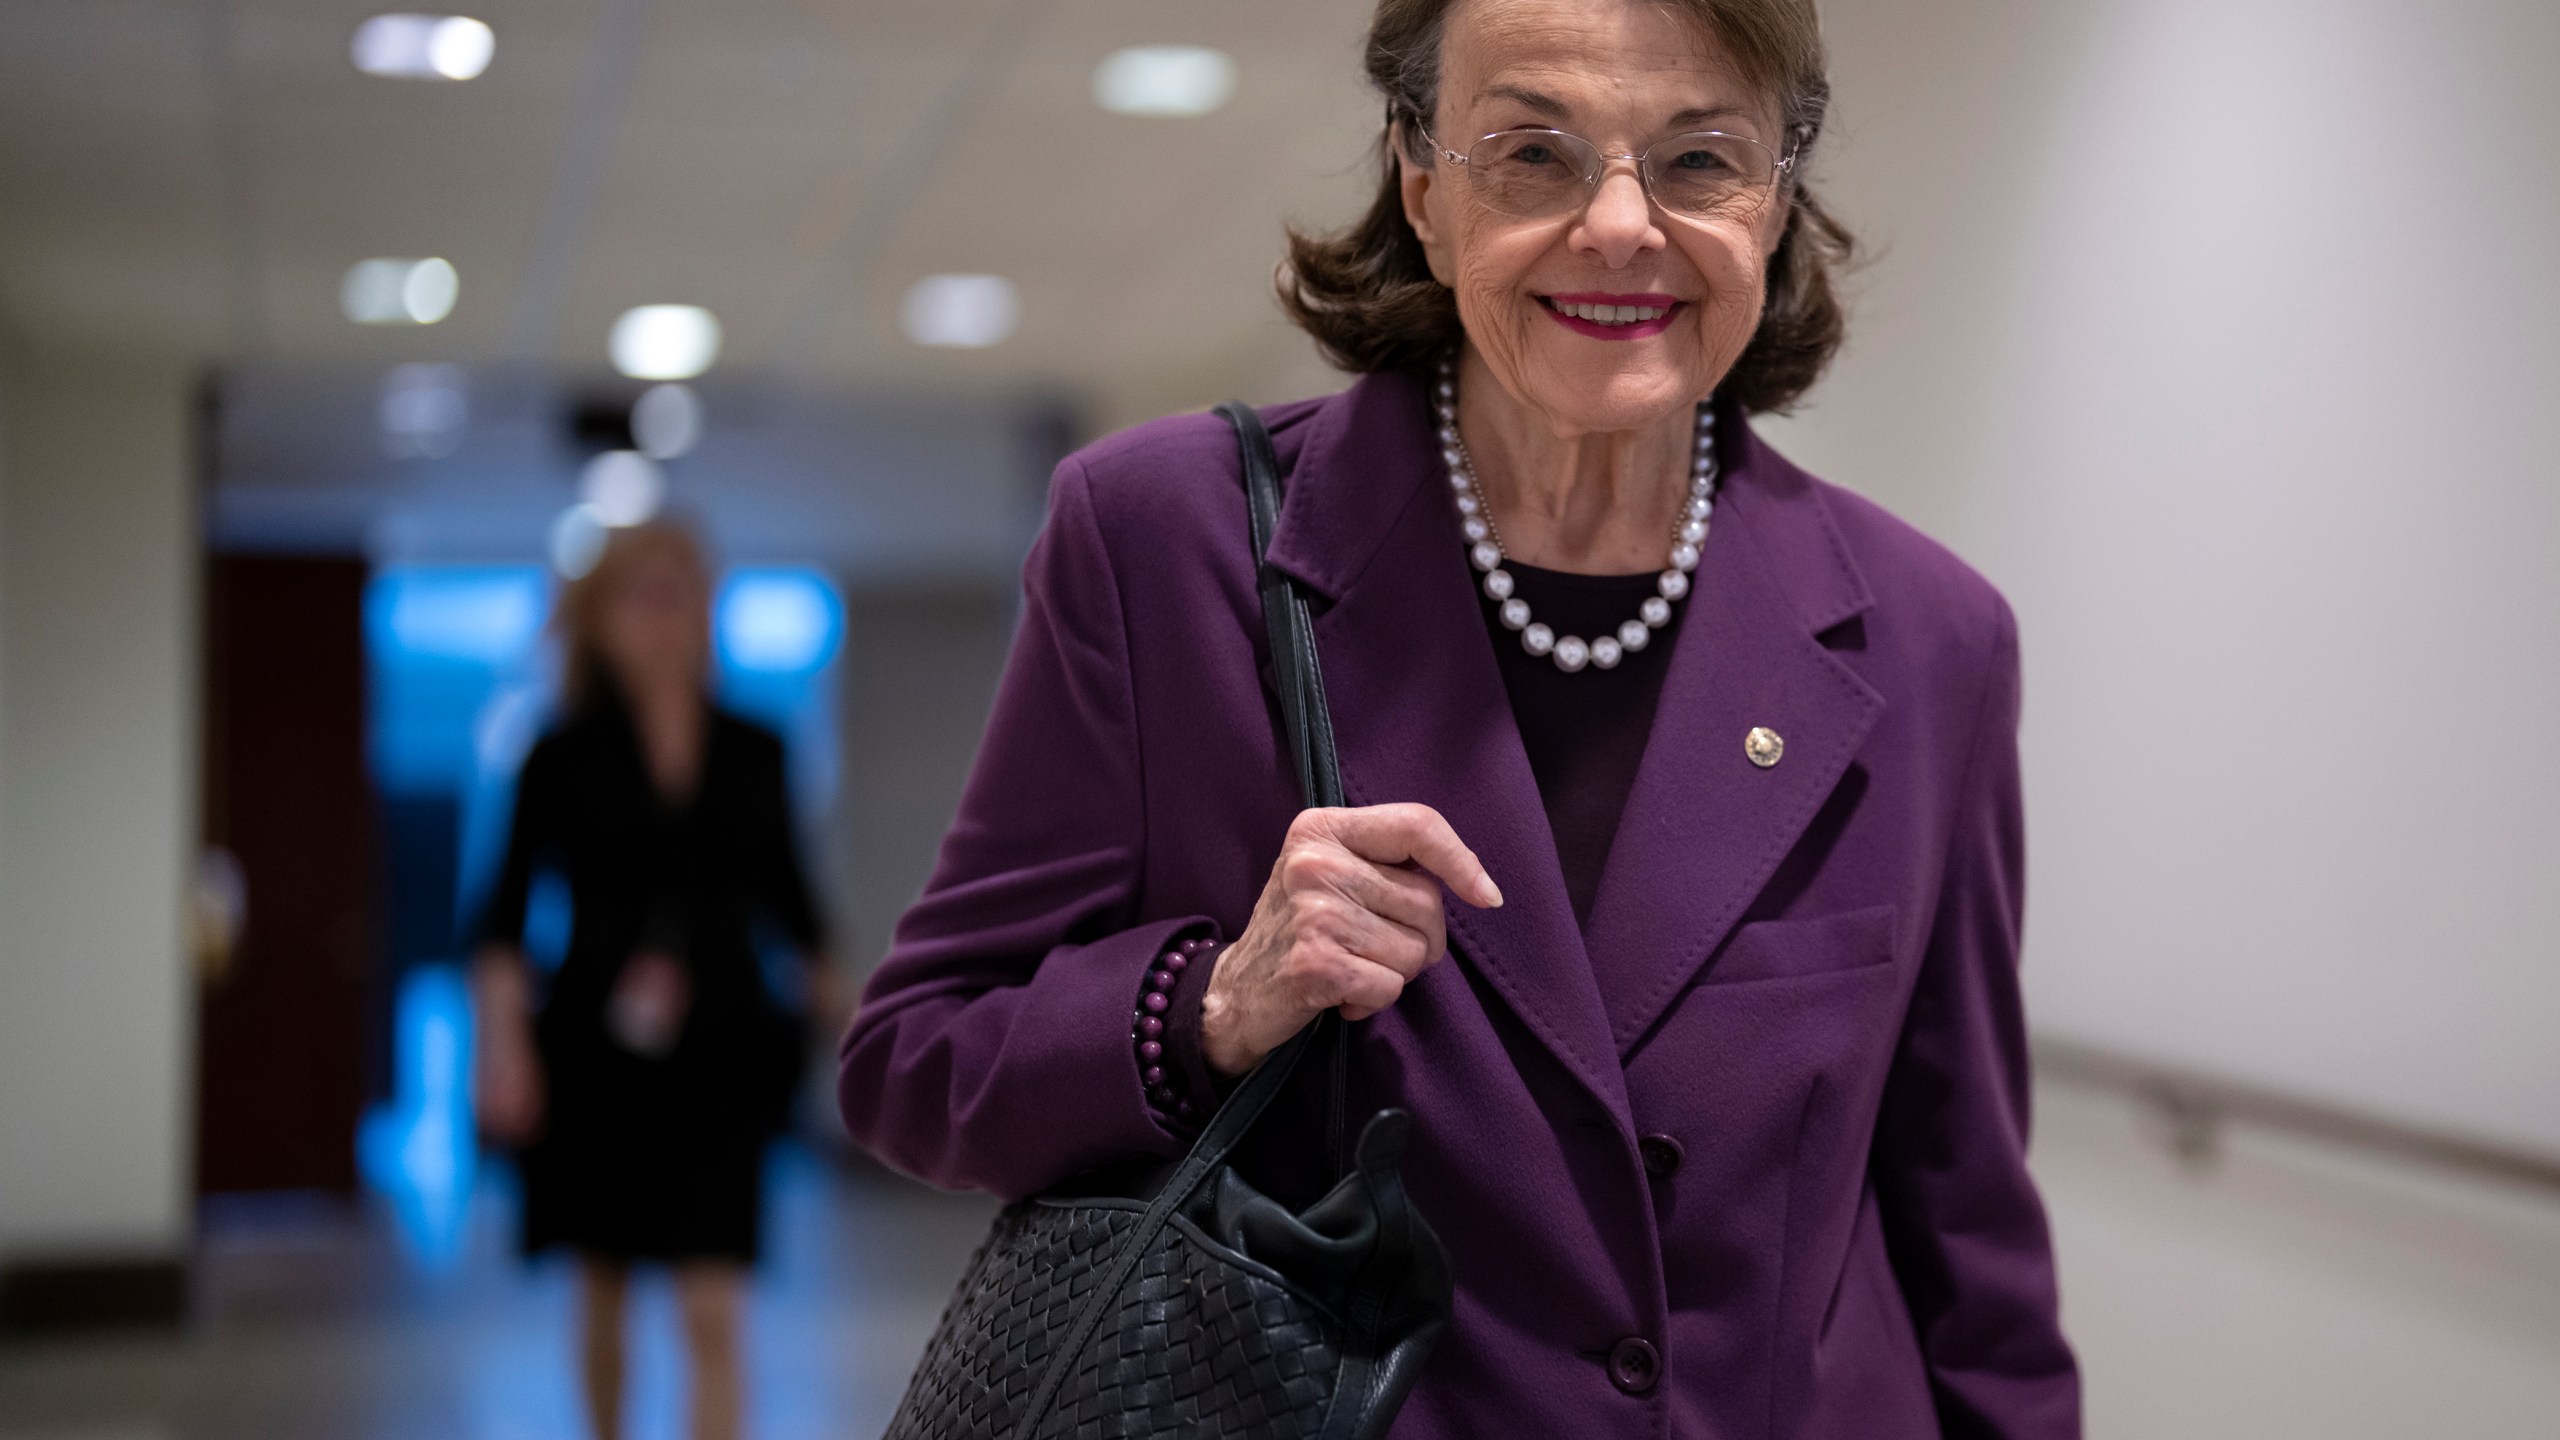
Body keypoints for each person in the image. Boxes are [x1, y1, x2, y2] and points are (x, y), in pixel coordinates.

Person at [841, 0, 2079, 1433]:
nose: (1621, 227)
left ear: (1778, 195)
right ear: (1422, 188)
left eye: (1697, 162)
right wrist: (1217, 1003)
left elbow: (1967, 1226)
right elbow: (912, 1065)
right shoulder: (1163, 546)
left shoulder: (1932, 640)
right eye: (1534, 154)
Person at [473, 520, 832, 1440]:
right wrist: (502, 1048)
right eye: (643, 591)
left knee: (715, 1304)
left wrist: (864, 1026)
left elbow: (796, 909)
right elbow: (504, 918)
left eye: (683, 590)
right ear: (595, 618)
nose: (666, 613)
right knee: (603, 1287)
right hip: (597, 1051)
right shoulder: (557, 755)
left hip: (724, 1050)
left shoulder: (757, 749)